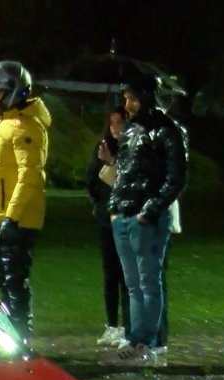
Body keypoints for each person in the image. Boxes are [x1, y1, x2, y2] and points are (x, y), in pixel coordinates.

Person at [0, 60, 51, 345]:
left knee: (14, 280)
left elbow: (30, 177)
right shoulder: (8, 124)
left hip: (17, 220)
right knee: (6, 279)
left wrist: (11, 218)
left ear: (13, 92)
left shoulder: (25, 127)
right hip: (6, 218)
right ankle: (13, 339)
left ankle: (20, 340)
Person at [108, 74, 187, 362]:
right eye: (126, 98)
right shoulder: (131, 131)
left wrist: (150, 209)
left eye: (132, 98)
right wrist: (116, 209)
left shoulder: (167, 132)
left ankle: (146, 340)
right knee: (133, 283)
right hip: (126, 214)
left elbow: (175, 177)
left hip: (146, 218)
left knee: (148, 281)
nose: (126, 105)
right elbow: (125, 171)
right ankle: (136, 337)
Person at [88, 107, 130, 347]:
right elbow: (91, 178)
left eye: (120, 122)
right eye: (112, 122)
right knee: (110, 273)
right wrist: (97, 203)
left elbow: (126, 180)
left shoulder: (130, 149)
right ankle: (112, 324)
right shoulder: (102, 148)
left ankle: (127, 326)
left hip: (124, 217)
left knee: (126, 275)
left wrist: (111, 162)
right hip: (106, 218)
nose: (115, 127)